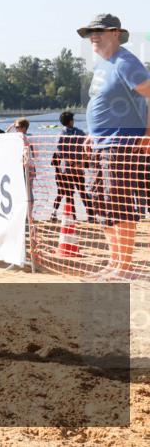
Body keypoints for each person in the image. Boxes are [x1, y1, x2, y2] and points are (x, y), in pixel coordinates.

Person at [78, 14, 150, 279]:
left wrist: (148, 132)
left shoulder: (125, 62)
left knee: (118, 202)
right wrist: (90, 133)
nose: (92, 37)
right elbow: (102, 103)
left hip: (121, 142)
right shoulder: (104, 65)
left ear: (116, 33)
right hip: (101, 143)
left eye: (98, 31)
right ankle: (114, 261)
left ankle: (125, 266)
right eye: (89, 33)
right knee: (102, 202)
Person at [51, 111, 94, 223]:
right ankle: (91, 216)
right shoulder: (80, 133)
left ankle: (73, 218)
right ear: (71, 121)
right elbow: (87, 147)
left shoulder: (60, 135)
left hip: (66, 170)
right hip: (78, 168)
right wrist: (83, 161)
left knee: (69, 194)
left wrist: (70, 162)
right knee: (83, 192)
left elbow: (60, 153)